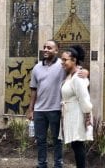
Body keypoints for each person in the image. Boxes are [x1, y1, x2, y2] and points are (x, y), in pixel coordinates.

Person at [26, 39, 88, 168]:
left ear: (56, 50)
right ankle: (42, 164)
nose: (46, 49)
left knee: (57, 140)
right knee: (41, 140)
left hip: (55, 109)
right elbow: (33, 89)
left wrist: (86, 72)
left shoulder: (63, 64)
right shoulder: (37, 67)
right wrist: (31, 109)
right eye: (44, 47)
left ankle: (58, 164)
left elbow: (77, 69)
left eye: (49, 47)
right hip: (39, 110)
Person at [59, 45, 93, 168]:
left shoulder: (78, 77)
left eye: (64, 60)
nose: (62, 62)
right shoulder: (70, 75)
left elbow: (84, 98)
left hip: (78, 114)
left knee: (78, 145)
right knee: (75, 144)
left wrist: (87, 117)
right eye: (61, 59)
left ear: (74, 60)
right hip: (71, 114)